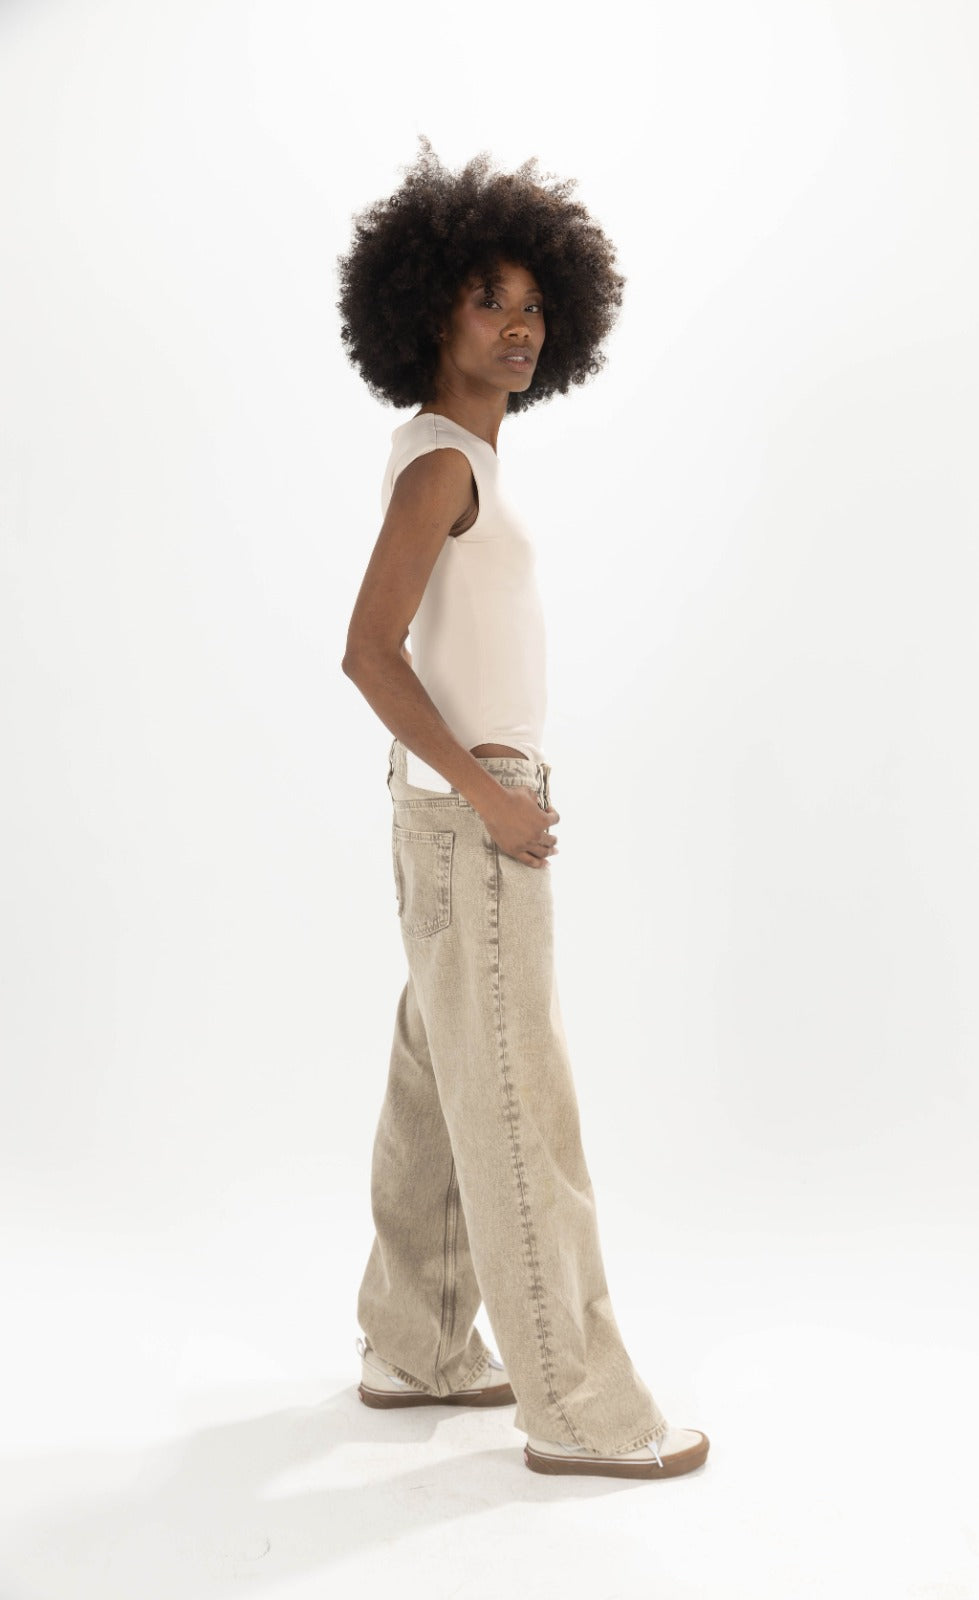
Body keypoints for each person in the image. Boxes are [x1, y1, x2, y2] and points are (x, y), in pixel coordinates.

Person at [337, 143, 709, 1480]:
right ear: (428, 310)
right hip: (471, 814)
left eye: (534, 304)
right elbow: (367, 652)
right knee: (518, 1108)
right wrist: (492, 795)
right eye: (487, 299)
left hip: (448, 814)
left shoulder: (448, 457)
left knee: (441, 1082)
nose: (518, 325)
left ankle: (418, 1344)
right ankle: (580, 1404)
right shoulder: (442, 468)